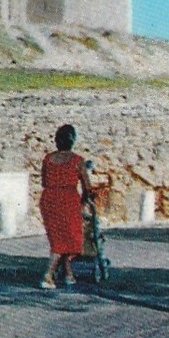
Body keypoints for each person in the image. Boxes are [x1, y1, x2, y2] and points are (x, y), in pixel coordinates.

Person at [38, 123, 93, 290]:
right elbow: (87, 187)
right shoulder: (78, 161)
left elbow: (44, 181)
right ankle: (48, 275)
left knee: (58, 237)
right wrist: (85, 200)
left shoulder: (48, 159)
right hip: (68, 199)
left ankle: (69, 274)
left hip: (49, 198)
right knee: (70, 237)